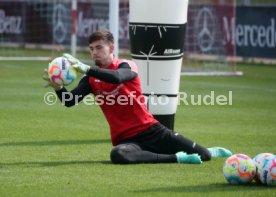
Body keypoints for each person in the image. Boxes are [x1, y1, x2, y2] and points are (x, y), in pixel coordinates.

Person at [43, 29, 232, 164]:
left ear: (111, 48)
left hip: (152, 131)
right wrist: (57, 87)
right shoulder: (90, 79)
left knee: (204, 155)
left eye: (99, 48)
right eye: (91, 49)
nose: (94, 53)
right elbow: (70, 101)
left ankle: (210, 150)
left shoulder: (127, 65)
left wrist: (86, 68)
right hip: (126, 140)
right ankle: (176, 158)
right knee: (118, 155)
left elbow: (117, 78)